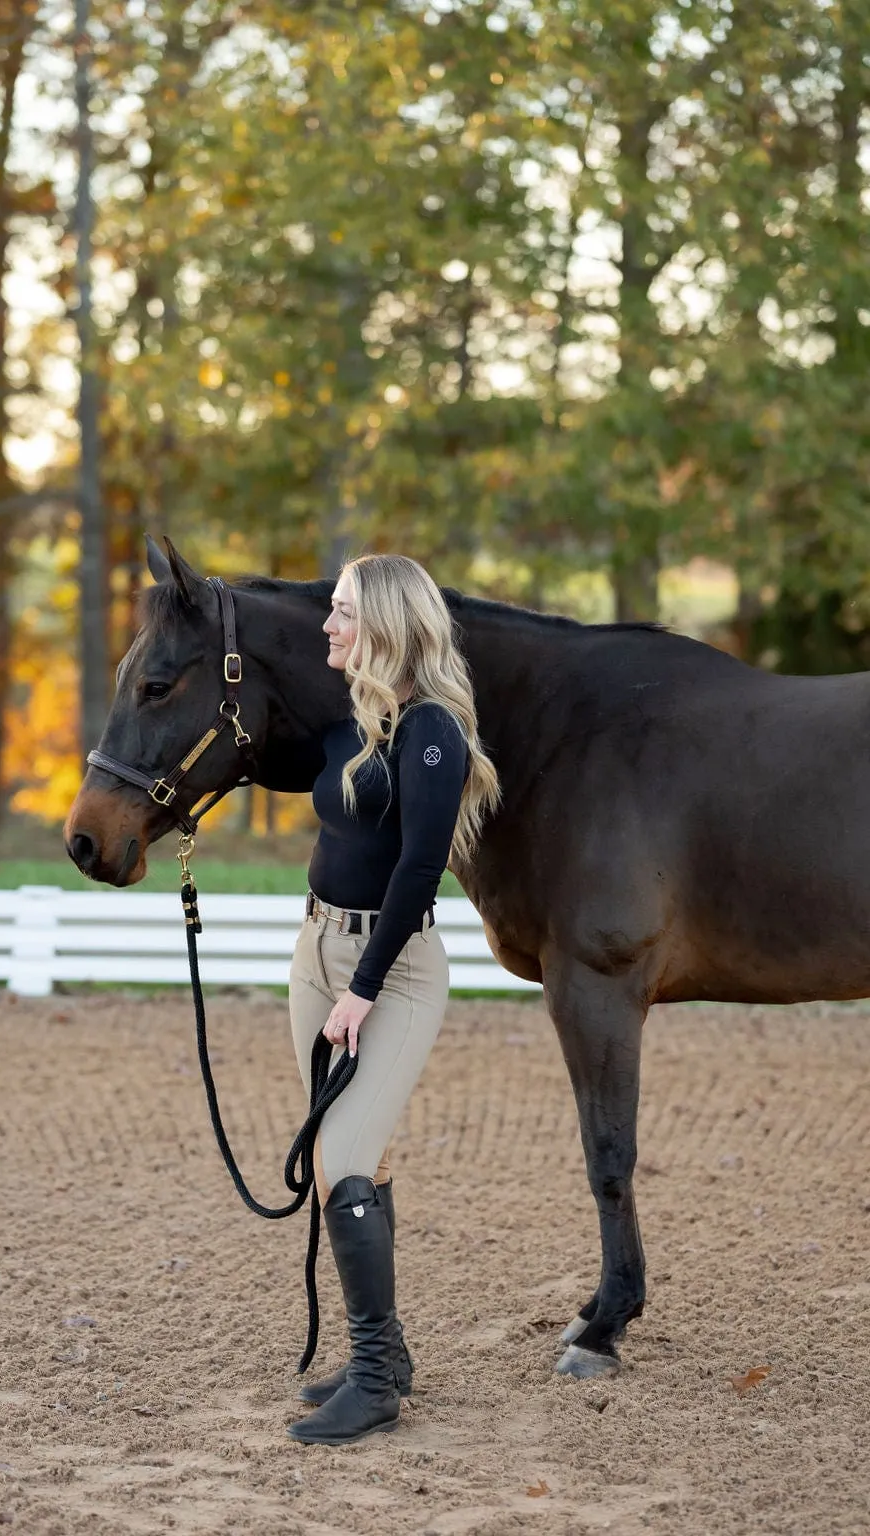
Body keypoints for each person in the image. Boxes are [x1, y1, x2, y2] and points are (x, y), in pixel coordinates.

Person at [286, 553, 501, 1446]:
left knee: (341, 1159)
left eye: (340, 612)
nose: (327, 626)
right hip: (315, 948)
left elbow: (420, 867)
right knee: (355, 1162)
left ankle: (375, 1380)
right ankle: (390, 1357)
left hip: (395, 966)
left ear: (381, 621)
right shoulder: (348, 723)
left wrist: (363, 991)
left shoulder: (433, 731)